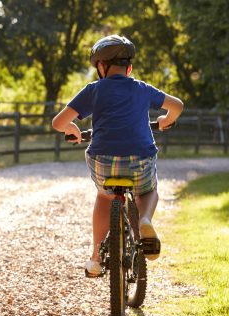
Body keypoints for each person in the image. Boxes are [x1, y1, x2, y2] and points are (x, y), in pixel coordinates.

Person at [51, 35, 184, 277]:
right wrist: (166, 121)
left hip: (103, 160)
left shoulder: (93, 90)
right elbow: (177, 105)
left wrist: (73, 129)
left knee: (104, 196)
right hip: (140, 159)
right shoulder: (142, 89)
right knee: (147, 190)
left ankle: (95, 258)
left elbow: (58, 122)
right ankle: (145, 220)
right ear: (129, 68)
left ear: (101, 67)